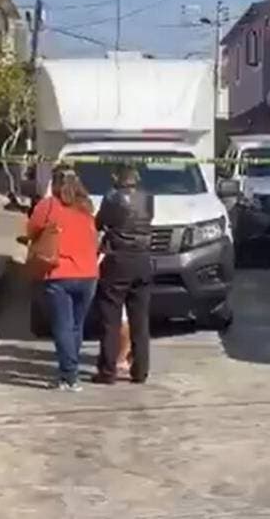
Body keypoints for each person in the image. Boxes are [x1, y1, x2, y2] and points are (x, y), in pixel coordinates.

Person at [27, 166, 99, 392]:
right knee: (76, 326)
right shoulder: (87, 207)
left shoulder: (48, 206)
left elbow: (31, 230)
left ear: (54, 184)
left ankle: (69, 376)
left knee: (63, 327)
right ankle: (71, 369)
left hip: (59, 273)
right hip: (88, 274)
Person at [93, 164, 154, 385]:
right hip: (143, 259)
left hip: (119, 258)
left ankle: (108, 370)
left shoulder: (112, 197)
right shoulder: (147, 197)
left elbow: (99, 223)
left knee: (110, 318)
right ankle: (141, 370)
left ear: (117, 178)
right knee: (140, 320)